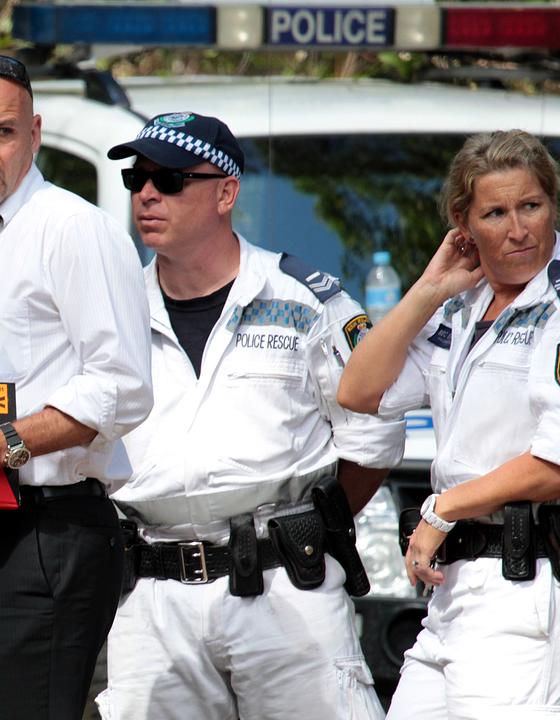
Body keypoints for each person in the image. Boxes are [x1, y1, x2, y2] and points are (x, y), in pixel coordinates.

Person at [96, 112, 406, 720]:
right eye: (137, 179)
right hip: (151, 595)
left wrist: (310, 526)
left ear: (226, 193)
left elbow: (372, 439)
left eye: (171, 180)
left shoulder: (305, 299)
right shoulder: (112, 308)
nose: (147, 194)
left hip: (284, 586)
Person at [0, 54, 153, 719]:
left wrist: (0, 444)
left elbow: (123, 387)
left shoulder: (73, 230)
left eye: (3, 132)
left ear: (33, 134)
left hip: (52, 532)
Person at [338, 130, 560, 716]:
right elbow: (359, 391)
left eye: (531, 206)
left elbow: (555, 463)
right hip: (451, 594)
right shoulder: (462, 307)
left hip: (524, 586)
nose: (518, 229)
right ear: (464, 225)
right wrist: (429, 289)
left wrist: (444, 508)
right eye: (495, 212)